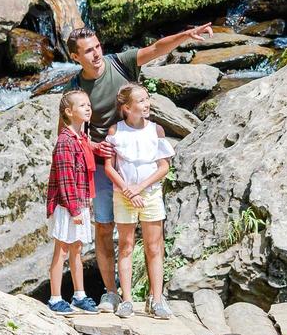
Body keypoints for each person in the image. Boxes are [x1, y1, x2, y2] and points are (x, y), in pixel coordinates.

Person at [66, 22, 212, 313]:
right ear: (75, 58)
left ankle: (155, 298)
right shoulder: (75, 88)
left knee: (150, 234)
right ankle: (112, 293)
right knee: (105, 228)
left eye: (97, 47)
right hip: (104, 164)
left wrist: (185, 35)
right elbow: (68, 133)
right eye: (88, 51)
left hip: (140, 162)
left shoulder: (120, 63)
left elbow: (156, 49)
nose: (96, 54)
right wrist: (93, 148)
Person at [105, 84, 176, 318]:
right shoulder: (116, 131)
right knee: (125, 246)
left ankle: (157, 300)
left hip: (150, 194)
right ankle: (127, 300)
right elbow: (109, 167)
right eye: (141, 101)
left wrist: (139, 189)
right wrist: (128, 191)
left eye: (147, 99)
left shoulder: (156, 130)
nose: (147, 104)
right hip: (123, 195)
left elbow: (164, 166)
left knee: (154, 246)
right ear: (127, 107)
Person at [45, 90, 100, 314]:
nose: (88, 108)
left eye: (88, 104)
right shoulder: (65, 141)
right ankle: (55, 298)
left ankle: (79, 295)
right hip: (67, 205)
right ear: (69, 112)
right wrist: (74, 209)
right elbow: (65, 178)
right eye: (82, 105)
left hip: (80, 202)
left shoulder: (82, 138)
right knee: (62, 248)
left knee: (77, 248)